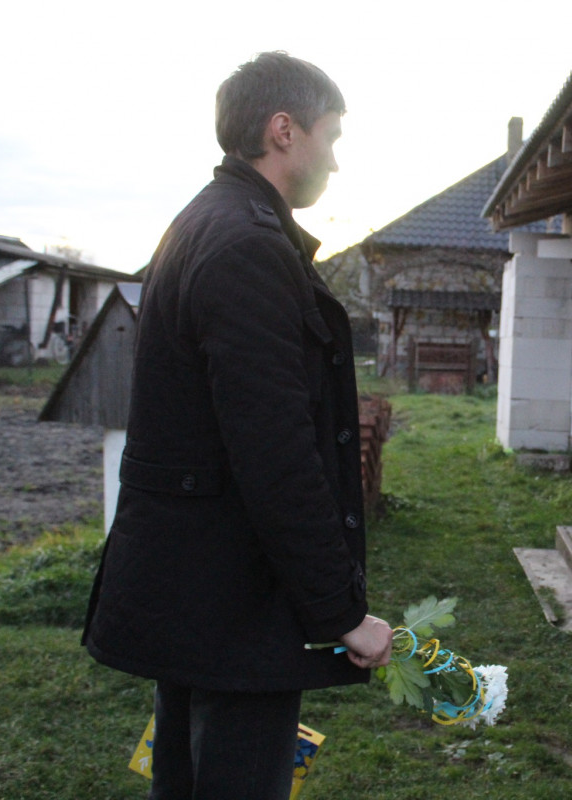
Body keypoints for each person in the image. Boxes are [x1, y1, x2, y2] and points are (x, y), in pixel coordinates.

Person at [82, 52, 394, 800]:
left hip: (196, 595)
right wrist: (340, 612)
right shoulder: (248, 246)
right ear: (283, 130)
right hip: (233, 603)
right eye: (332, 135)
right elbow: (274, 451)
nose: (337, 161)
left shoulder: (203, 222)